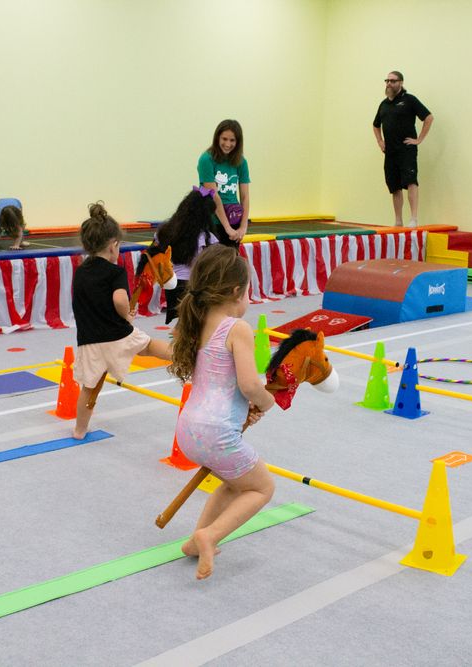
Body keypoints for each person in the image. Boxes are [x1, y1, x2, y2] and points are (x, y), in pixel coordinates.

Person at [168, 244, 276, 580]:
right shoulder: (237, 328)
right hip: (216, 433)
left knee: (233, 483)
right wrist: (267, 399)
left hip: (188, 431)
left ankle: (194, 541)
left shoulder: (195, 324)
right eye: (248, 292)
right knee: (262, 488)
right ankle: (210, 536)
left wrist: (245, 409)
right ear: (235, 292)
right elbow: (247, 384)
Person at [71, 201, 172, 439]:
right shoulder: (115, 272)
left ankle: (79, 429)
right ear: (113, 246)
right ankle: (187, 357)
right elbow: (118, 300)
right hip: (116, 334)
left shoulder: (81, 272)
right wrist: (126, 314)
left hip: (89, 339)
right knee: (148, 347)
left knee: (89, 387)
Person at [372, 71, 434, 227]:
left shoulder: (409, 100)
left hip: (406, 150)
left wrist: (419, 139)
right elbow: (375, 125)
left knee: (411, 182)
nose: (389, 84)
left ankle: (413, 218)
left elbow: (428, 117)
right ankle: (398, 221)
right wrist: (380, 141)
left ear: (401, 82)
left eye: (393, 81)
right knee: (394, 186)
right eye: (387, 81)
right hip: (390, 152)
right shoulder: (384, 104)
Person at [154, 186, 219, 324]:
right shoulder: (206, 238)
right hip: (193, 288)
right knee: (195, 325)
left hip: (172, 287)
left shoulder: (166, 231)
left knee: (182, 324)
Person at [197, 119, 250, 247]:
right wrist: (227, 228)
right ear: (217, 138)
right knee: (213, 263)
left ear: (238, 142)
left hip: (233, 217)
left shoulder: (241, 161)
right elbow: (214, 195)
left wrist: (243, 226)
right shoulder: (206, 159)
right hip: (212, 221)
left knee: (231, 263)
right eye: (224, 139)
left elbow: (245, 196)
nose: (227, 144)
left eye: (232, 140)